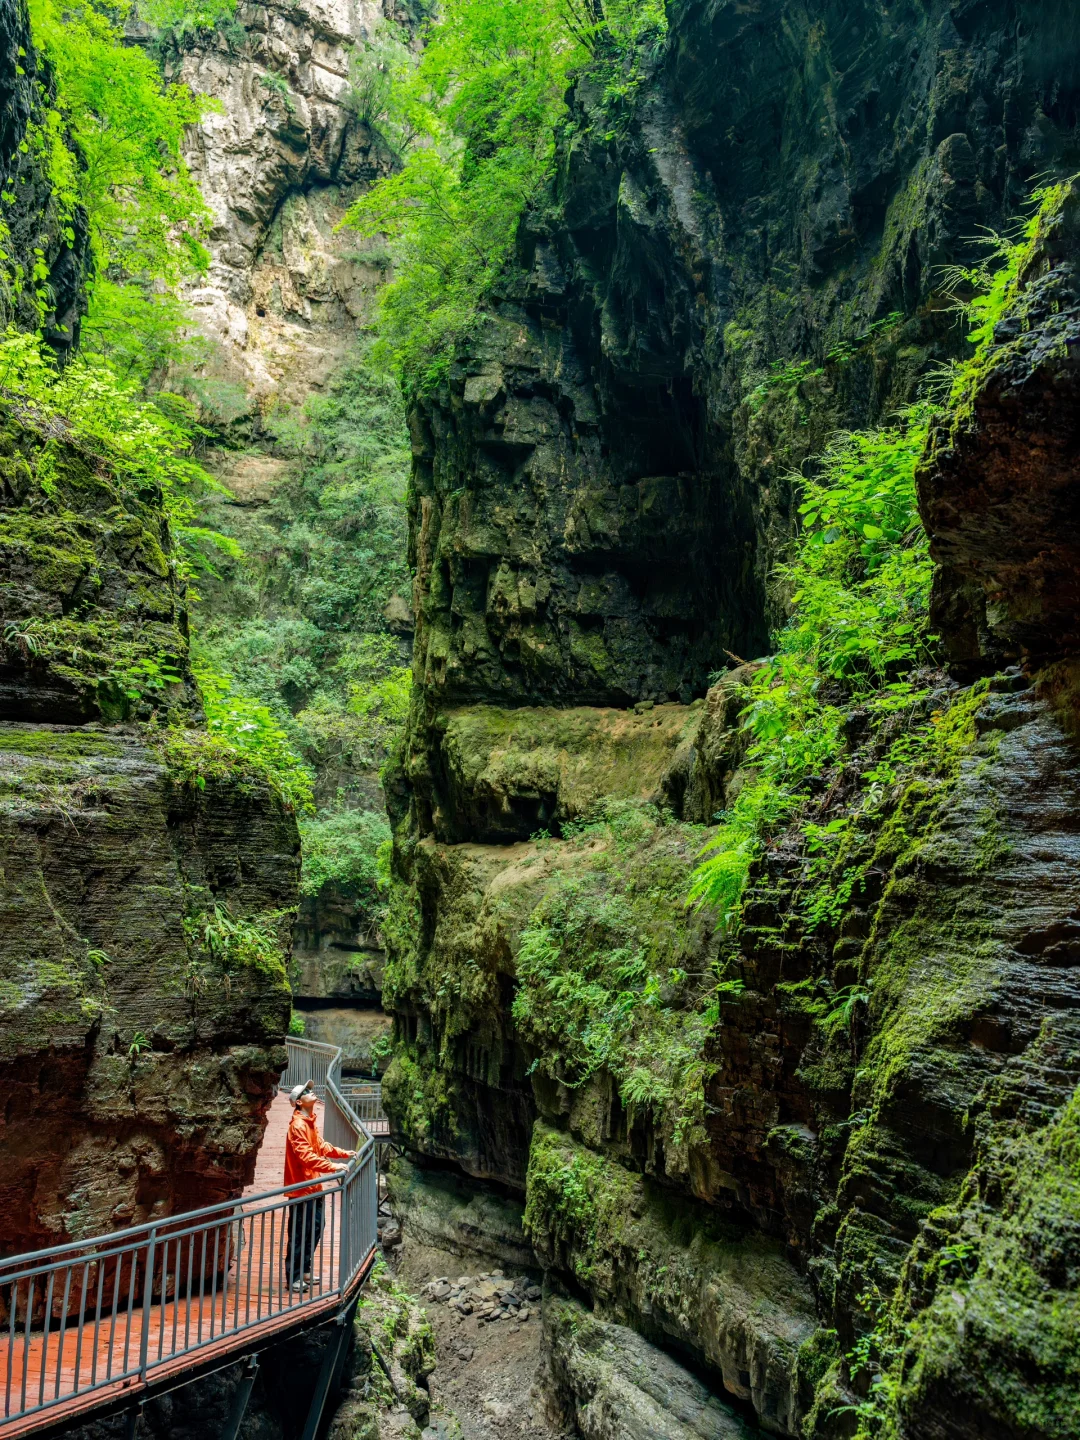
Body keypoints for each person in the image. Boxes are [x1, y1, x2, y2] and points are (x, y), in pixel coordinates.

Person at [283, 1080, 353, 1292]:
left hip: (314, 1186)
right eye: (305, 1091)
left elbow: (320, 1146)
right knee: (298, 1233)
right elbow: (306, 1157)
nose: (311, 1092)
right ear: (298, 1102)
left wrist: (343, 1153)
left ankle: (304, 1269)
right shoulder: (298, 1126)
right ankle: (293, 1277)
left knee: (314, 1228)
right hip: (301, 1187)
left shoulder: (309, 1121)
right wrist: (334, 1167)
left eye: (310, 1090)